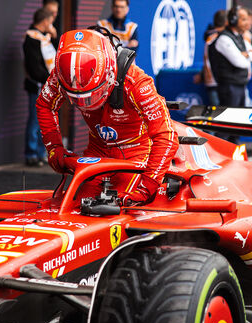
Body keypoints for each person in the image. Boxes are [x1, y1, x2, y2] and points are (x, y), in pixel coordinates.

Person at [36, 29, 178, 206]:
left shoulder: (136, 82)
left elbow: (167, 136)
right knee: (75, 205)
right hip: (97, 152)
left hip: (137, 152)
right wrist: (54, 148)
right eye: (77, 98)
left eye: (90, 95)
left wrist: (147, 187)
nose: (85, 103)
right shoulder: (64, 74)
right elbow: (44, 104)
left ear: (110, 74)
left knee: (121, 206)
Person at [208, 6, 252, 108]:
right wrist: (248, 55)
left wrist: (247, 54)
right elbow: (241, 63)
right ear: (234, 20)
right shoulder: (224, 38)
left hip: (240, 86)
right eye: (244, 19)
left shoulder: (239, 37)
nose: (248, 23)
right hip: (229, 88)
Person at [23, 8, 56, 167]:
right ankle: (31, 154)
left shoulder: (46, 37)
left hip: (47, 86)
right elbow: (34, 67)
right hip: (38, 85)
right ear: (45, 21)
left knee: (44, 121)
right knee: (35, 121)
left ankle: (41, 154)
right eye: (51, 21)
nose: (52, 24)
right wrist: (48, 78)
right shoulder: (31, 38)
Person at [194, 9, 227, 106]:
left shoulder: (211, 37)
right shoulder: (218, 38)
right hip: (219, 84)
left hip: (215, 83)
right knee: (220, 116)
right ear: (226, 22)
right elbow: (213, 61)